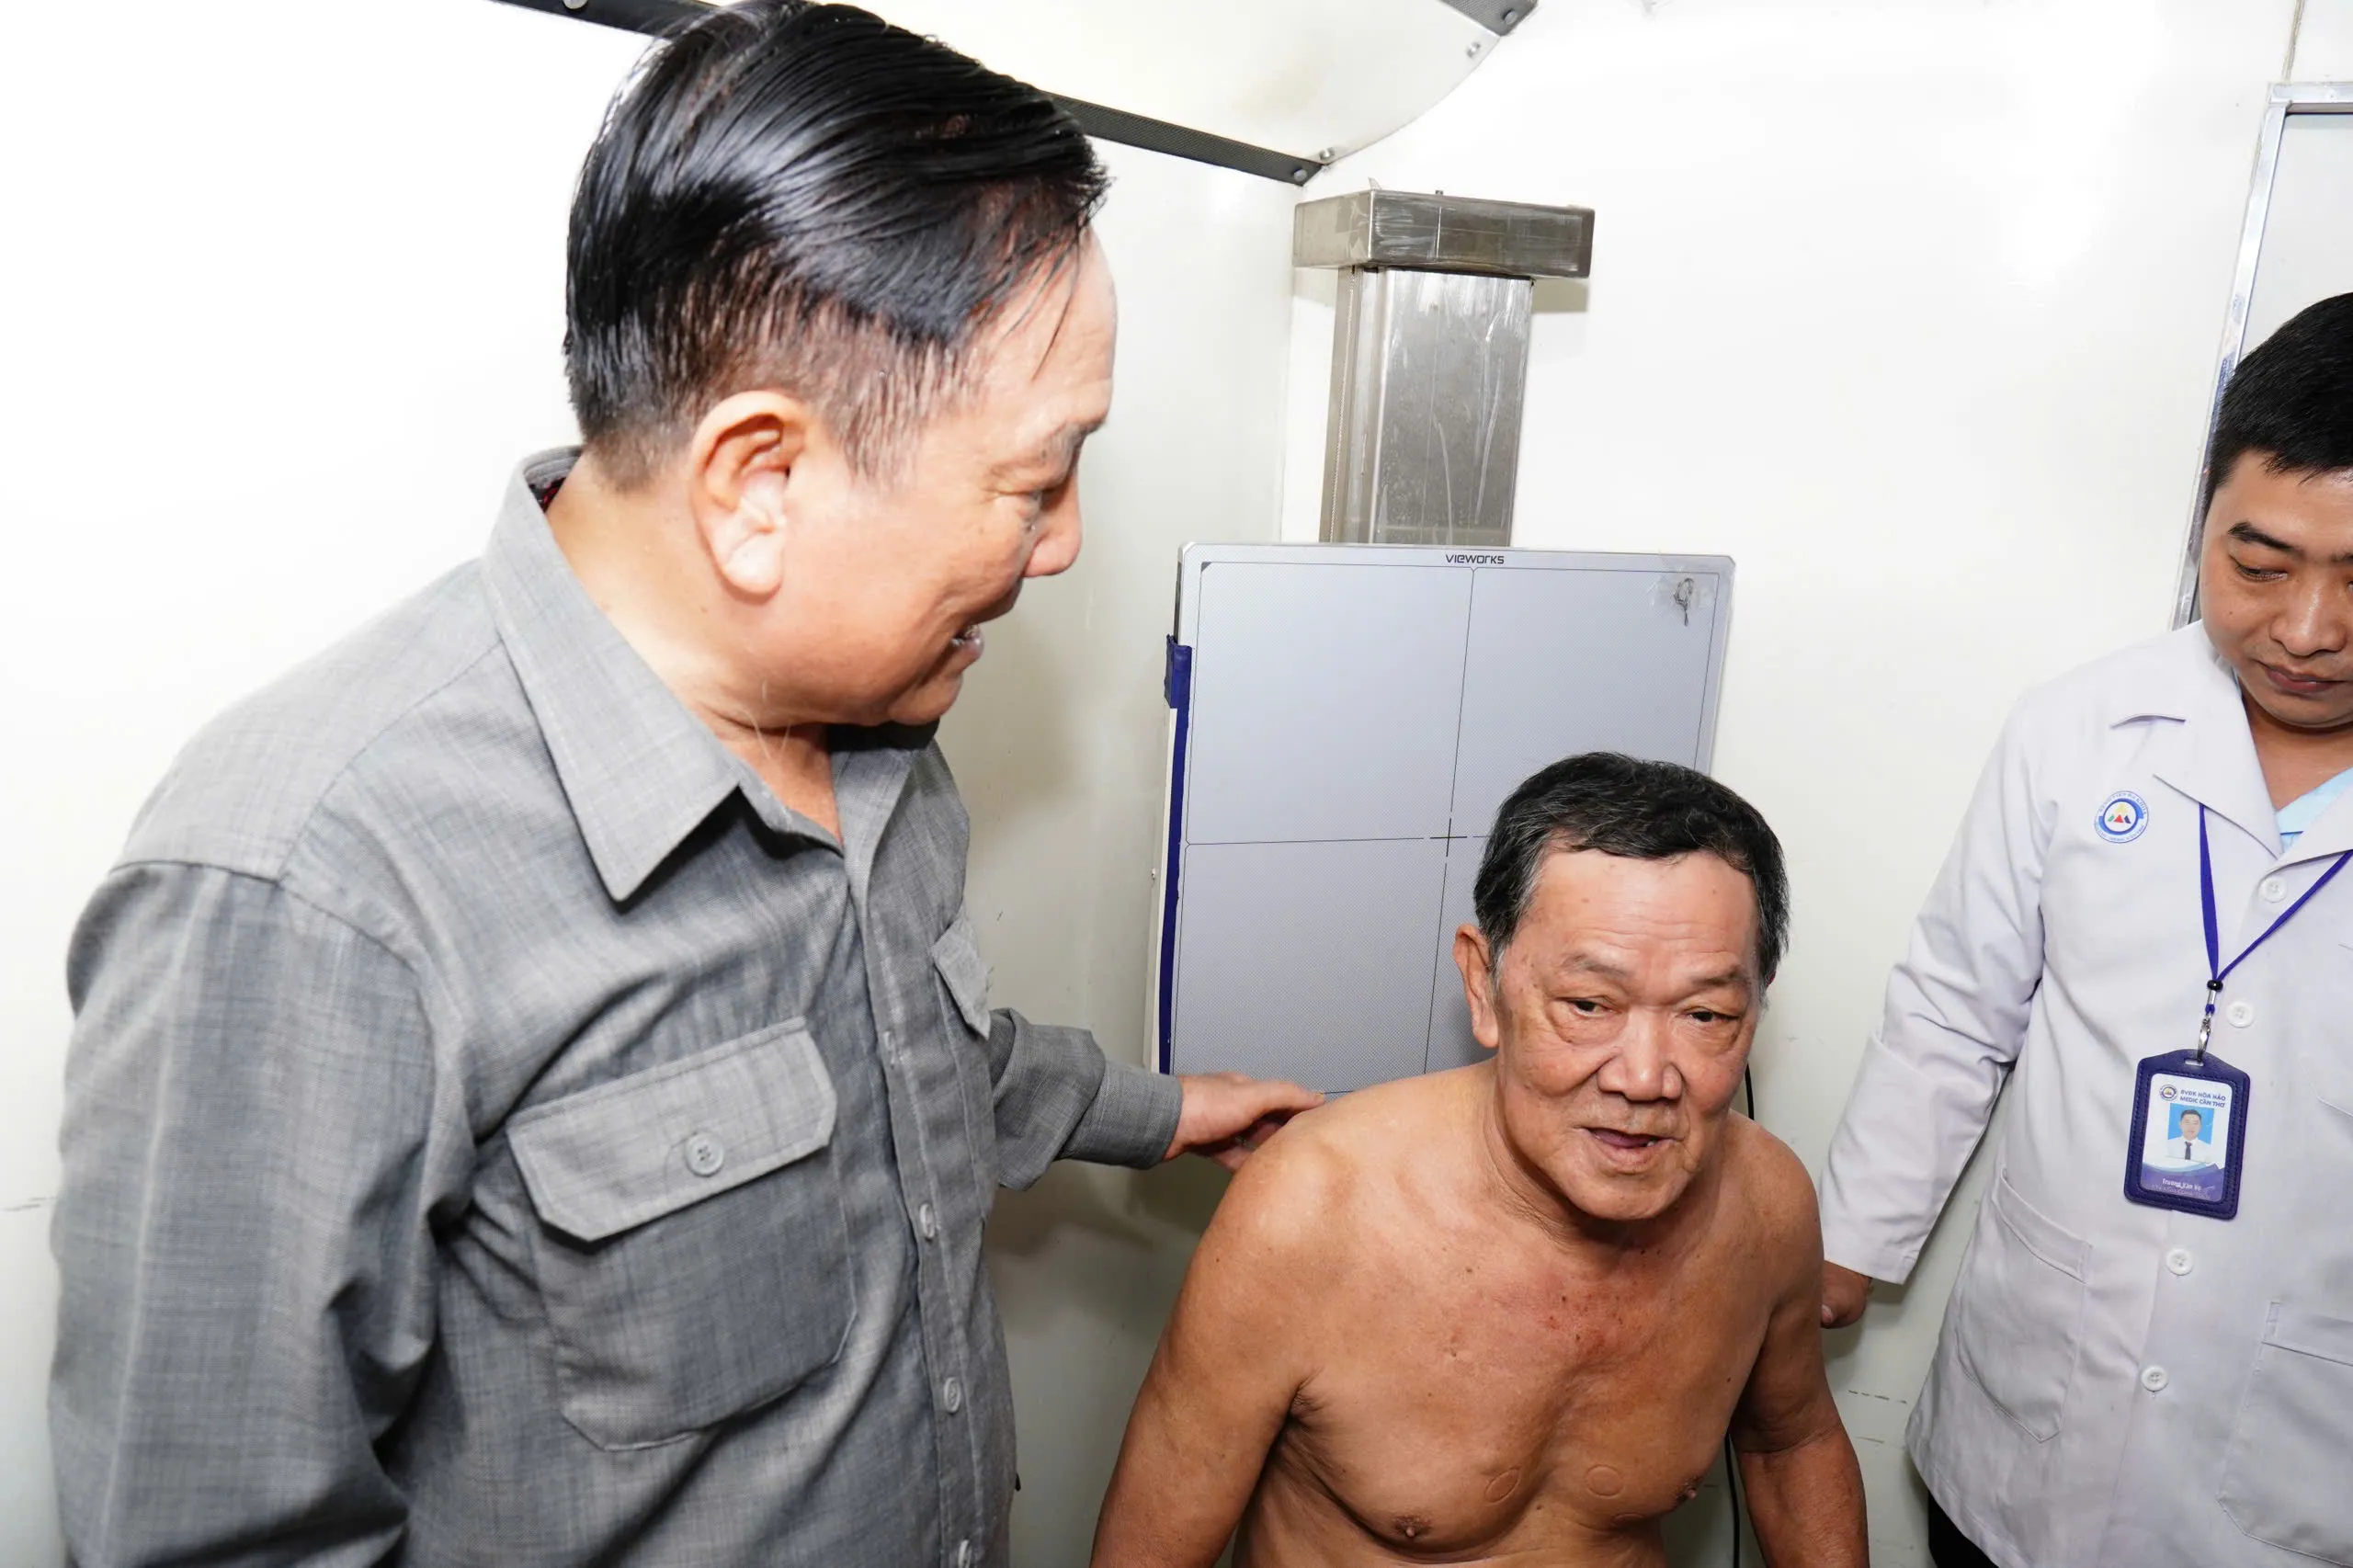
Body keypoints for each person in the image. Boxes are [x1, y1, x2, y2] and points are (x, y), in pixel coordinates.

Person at [48, 6, 1319, 1565]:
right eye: (1034, 481)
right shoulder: (315, 888)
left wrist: (1159, 1110)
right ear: (760, 484)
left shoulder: (881, 729)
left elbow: (907, 1056)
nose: (1062, 545)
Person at [1818, 292, 2353, 1568]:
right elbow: (1954, 1008)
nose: (2306, 630)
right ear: (2203, 520)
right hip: (2027, 1422)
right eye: (2259, 566)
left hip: (2300, 1455)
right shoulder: (2081, 729)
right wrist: (1839, 1254)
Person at [1090, 755, 1867, 1567]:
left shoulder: (1764, 1204)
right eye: (1588, 1005)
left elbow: (1792, 1444)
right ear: (1483, 984)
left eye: (1706, 1015)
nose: (1644, 1078)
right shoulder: (1312, 1212)